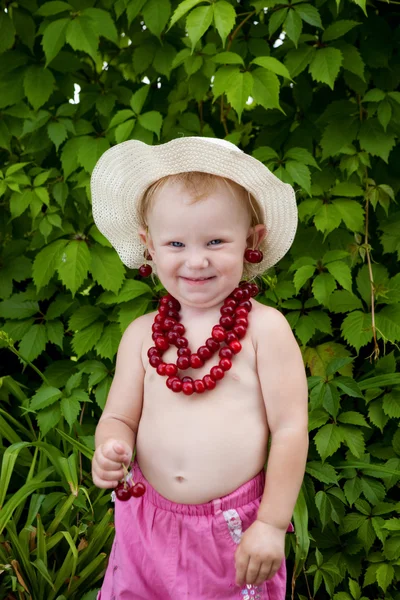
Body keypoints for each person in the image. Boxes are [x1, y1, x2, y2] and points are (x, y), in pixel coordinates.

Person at [90, 137, 309, 600]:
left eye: (215, 241)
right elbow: (120, 417)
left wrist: (271, 523)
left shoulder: (265, 331)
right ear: (150, 248)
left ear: (251, 241)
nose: (196, 259)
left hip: (232, 532)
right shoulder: (141, 335)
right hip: (145, 523)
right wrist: (111, 446)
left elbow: (290, 429)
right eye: (176, 242)